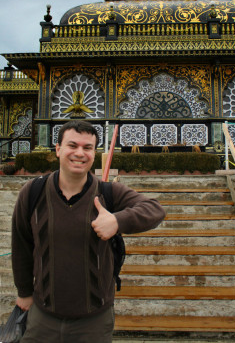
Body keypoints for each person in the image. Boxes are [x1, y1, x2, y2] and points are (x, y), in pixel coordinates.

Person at [12, 120, 166, 343]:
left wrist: (117, 220)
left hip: (94, 319)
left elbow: (155, 209)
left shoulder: (108, 192)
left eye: (87, 148)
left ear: (95, 153)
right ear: (58, 149)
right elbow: (21, 245)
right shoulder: (33, 192)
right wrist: (24, 292)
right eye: (72, 145)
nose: (79, 153)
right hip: (43, 315)